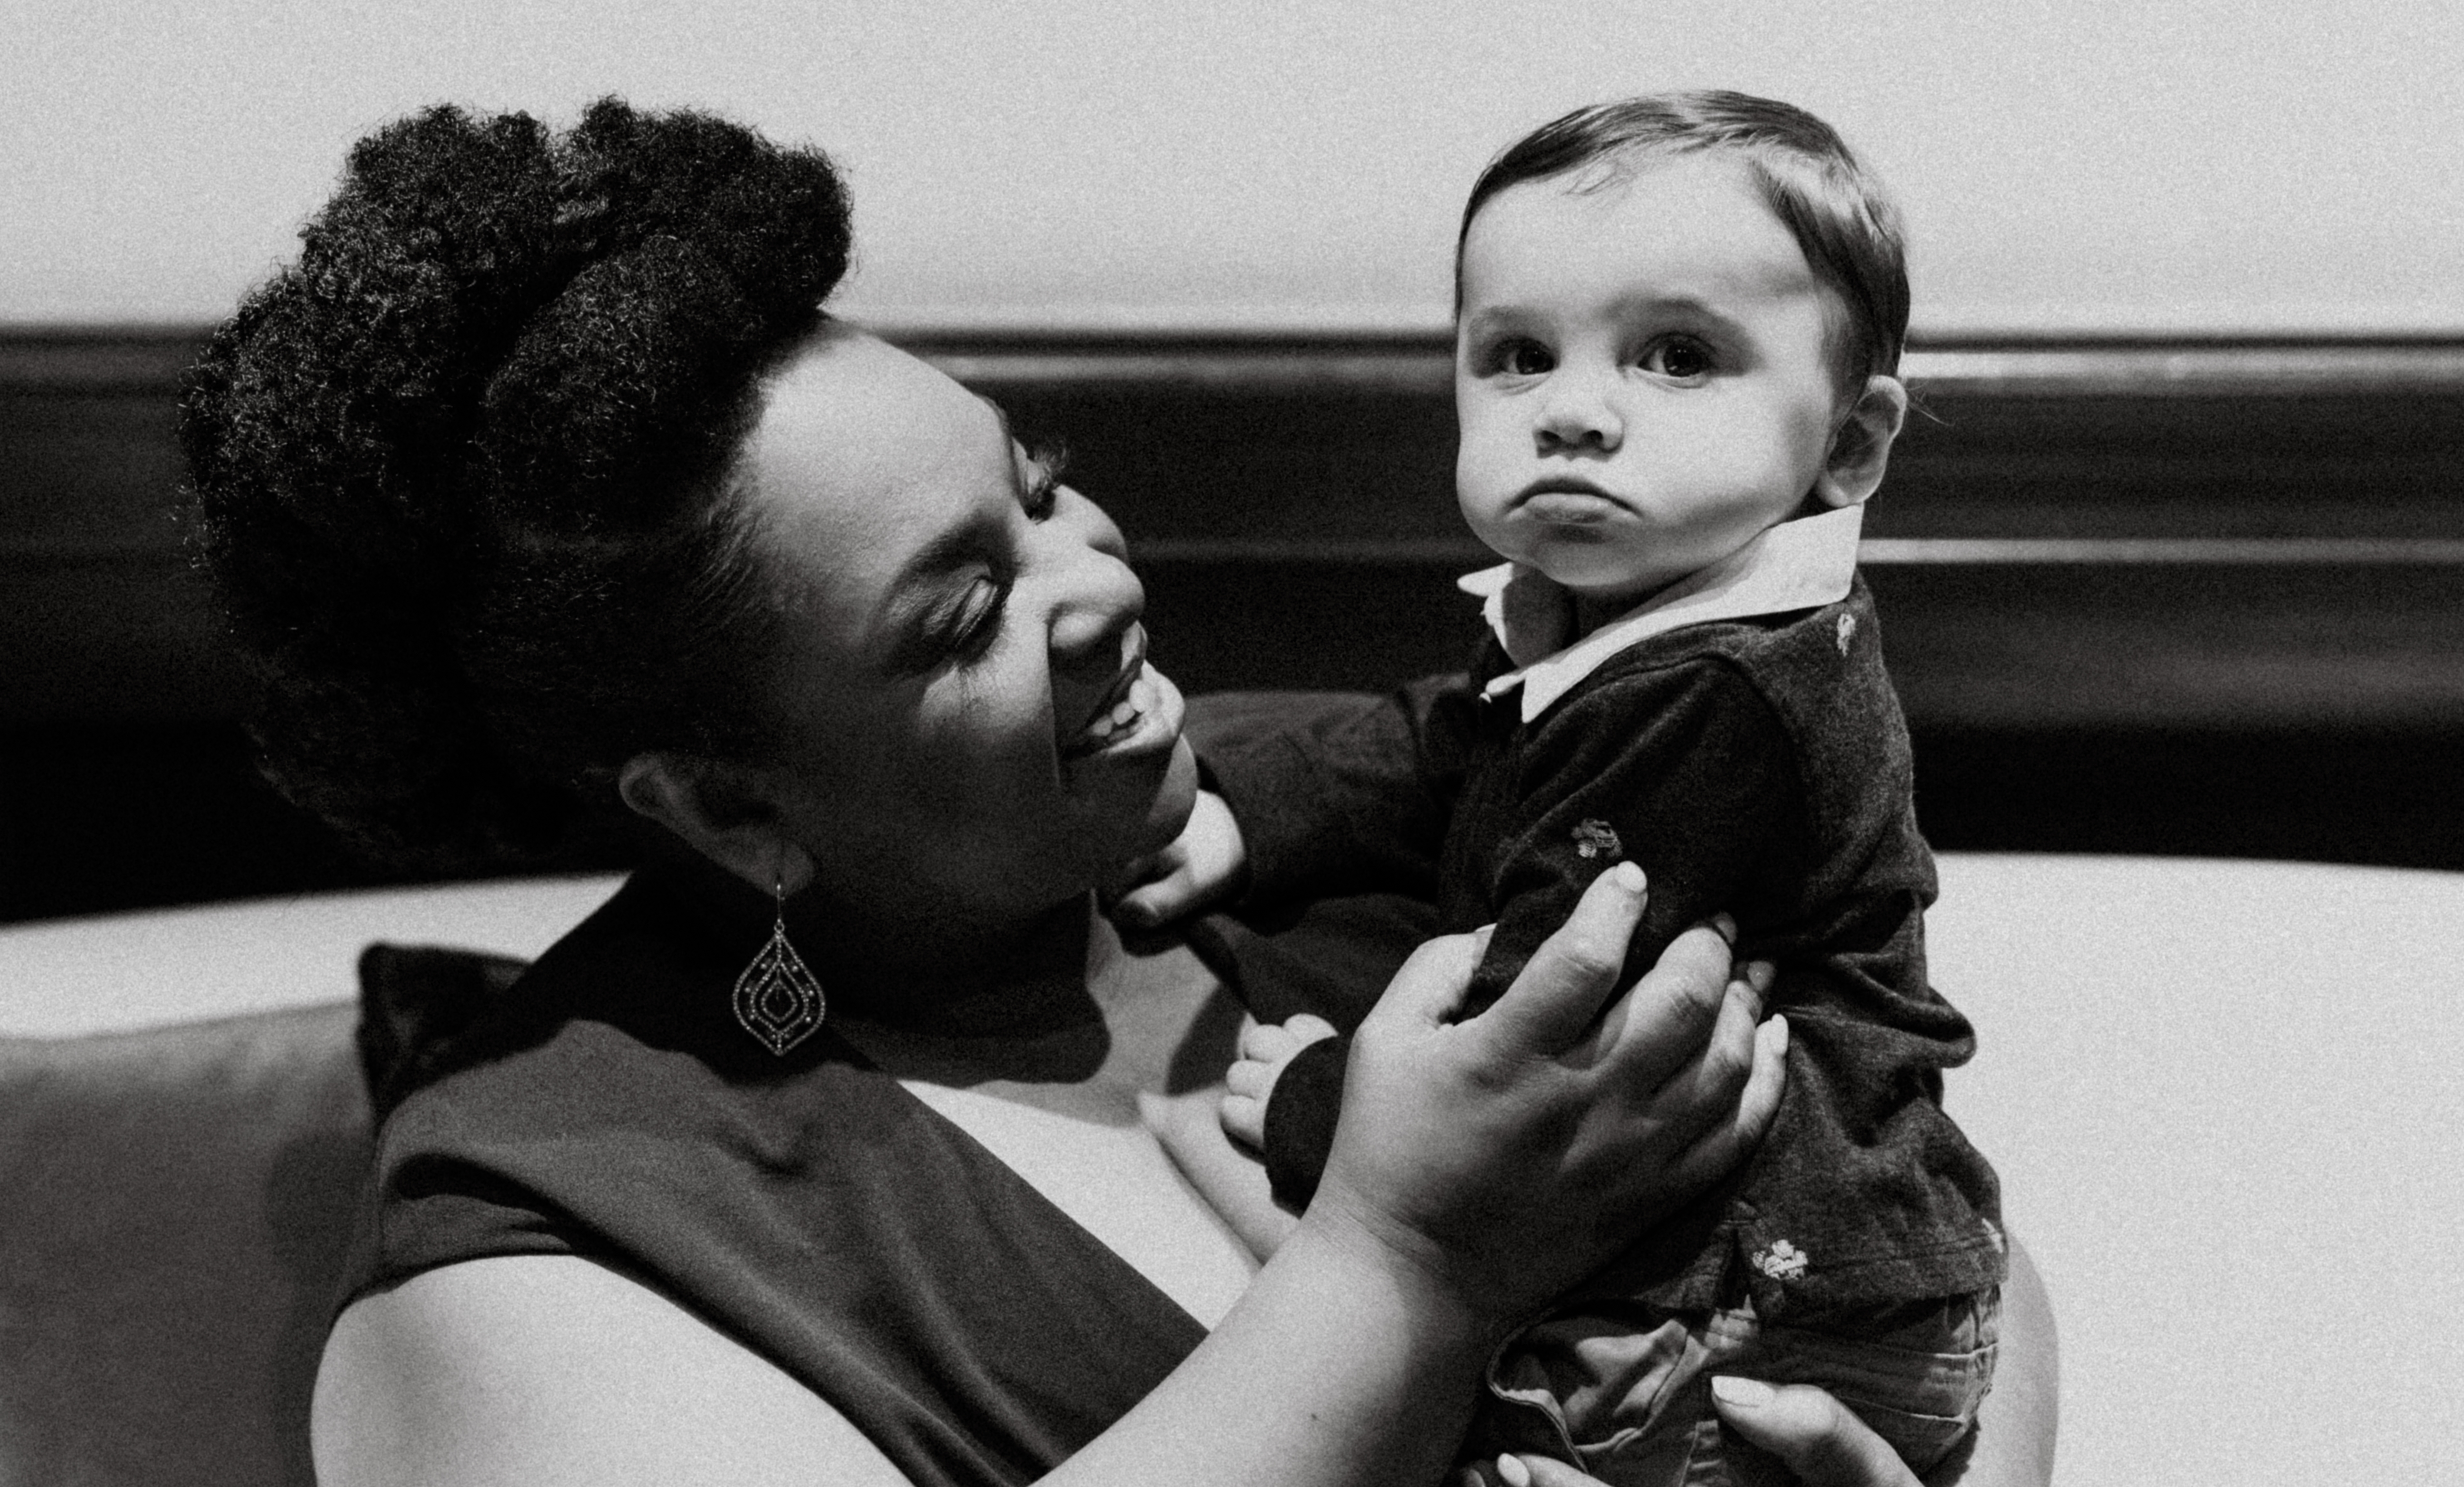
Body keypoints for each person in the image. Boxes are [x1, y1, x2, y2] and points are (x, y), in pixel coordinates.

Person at [178, 99, 2054, 1486]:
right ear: (729, 807)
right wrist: (1403, 1266)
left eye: (1041, 480)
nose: (1102, 580)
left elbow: (1926, 1213)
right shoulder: (535, 1249)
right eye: (966, 608)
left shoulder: (1321, 817)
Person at [1114, 94, 2003, 1485]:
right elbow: (1446, 736)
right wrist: (1246, 814)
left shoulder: (1713, 691)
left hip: (1757, 1321)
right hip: (1788, 1281)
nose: (1575, 412)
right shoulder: (1616, 614)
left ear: (1850, 440)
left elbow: (1548, 1014)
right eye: (1518, 356)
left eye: (1677, 357)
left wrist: (1322, 1104)